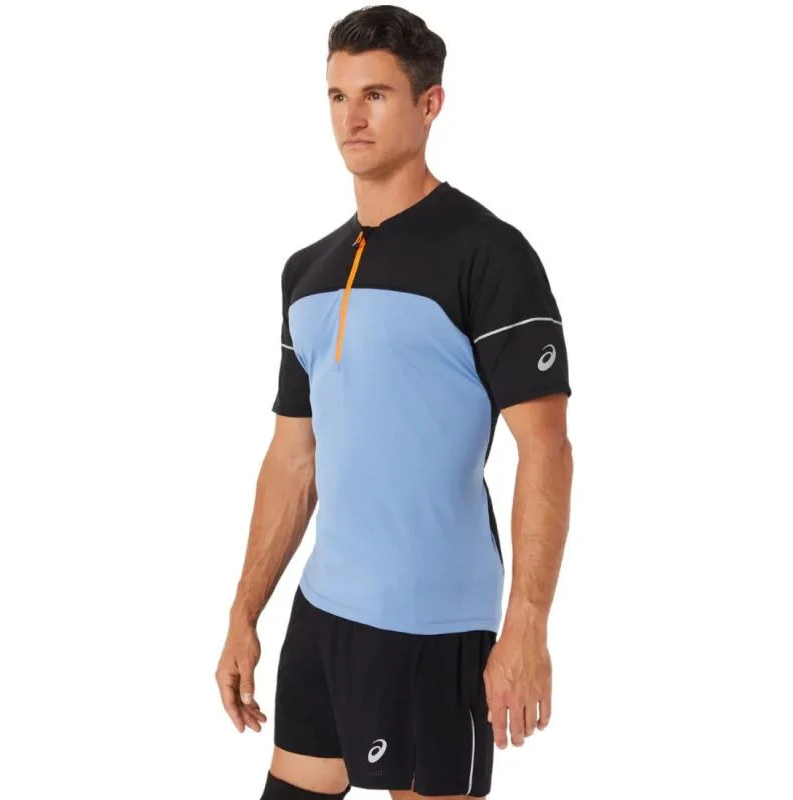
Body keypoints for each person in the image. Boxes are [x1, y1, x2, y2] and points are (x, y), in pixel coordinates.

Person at [215, 6, 573, 799]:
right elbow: (294, 456)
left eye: (375, 95)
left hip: (432, 621)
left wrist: (528, 623)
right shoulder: (307, 271)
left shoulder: (487, 253)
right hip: (324, 609)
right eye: (338, 96)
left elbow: (546, 447)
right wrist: (245, 611)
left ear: (429, 103)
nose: (352, 118)